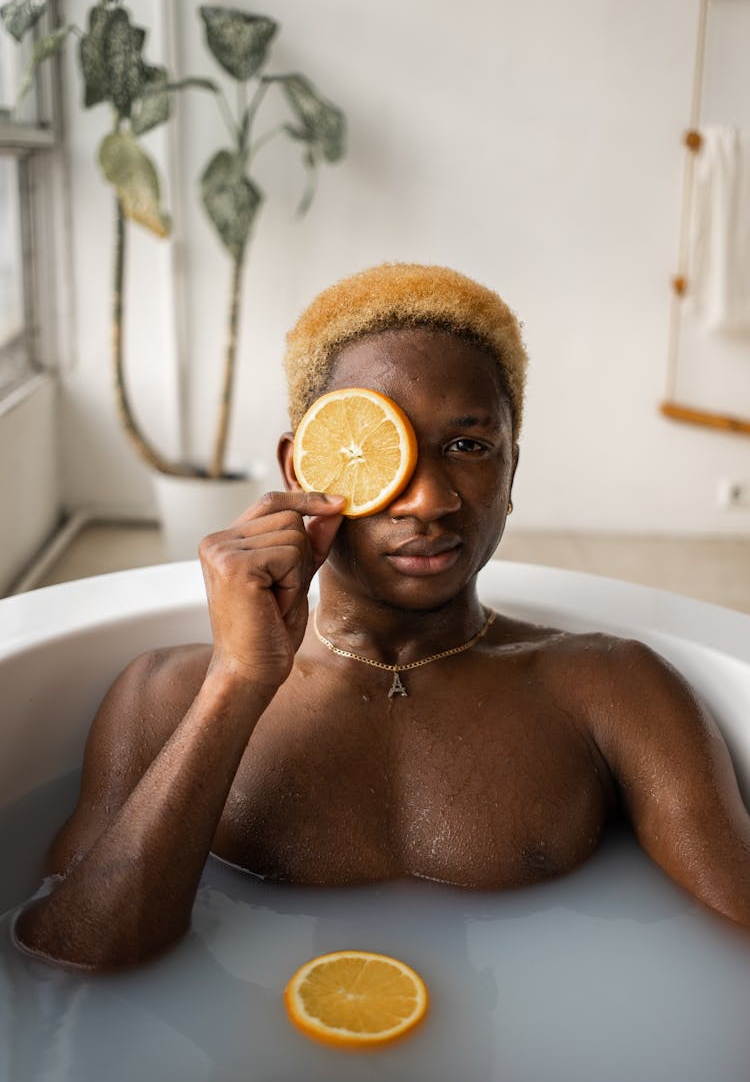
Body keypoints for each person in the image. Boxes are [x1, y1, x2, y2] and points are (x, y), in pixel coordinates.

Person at [14, 263, 750, 969]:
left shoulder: (611, 689)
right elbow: (73, 950)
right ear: (302, 470)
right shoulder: (165, 697)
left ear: (511, 469)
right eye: (379, 447)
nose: (429, 499)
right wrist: (237, 682)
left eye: (468, 445)